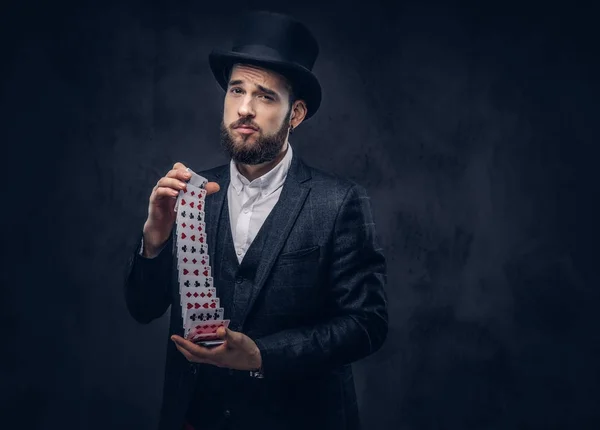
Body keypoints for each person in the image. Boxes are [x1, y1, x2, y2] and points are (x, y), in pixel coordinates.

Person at [124, 10, 388, 430]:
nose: (244, 108)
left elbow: (367, 324)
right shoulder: (188, 194)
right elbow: (143, 308)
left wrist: (262, 354)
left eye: (265, 96)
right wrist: (154, 240)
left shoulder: (340, 202)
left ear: (295, 114)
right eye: (236, 90)